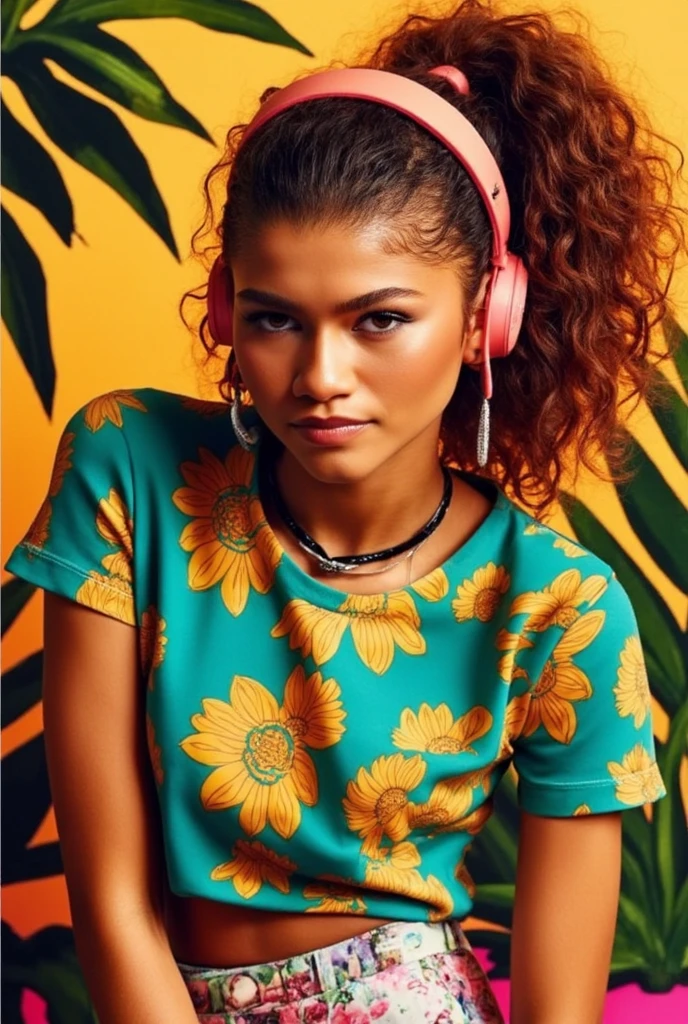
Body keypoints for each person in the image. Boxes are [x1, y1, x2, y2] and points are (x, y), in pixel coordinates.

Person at [7, 1, 684, 1021]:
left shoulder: (559, 607)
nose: (321, 376)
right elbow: (112, 898)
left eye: (380, 320)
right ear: (229, 312)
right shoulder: (129, 470)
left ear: (483, 319)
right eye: (277, 318)